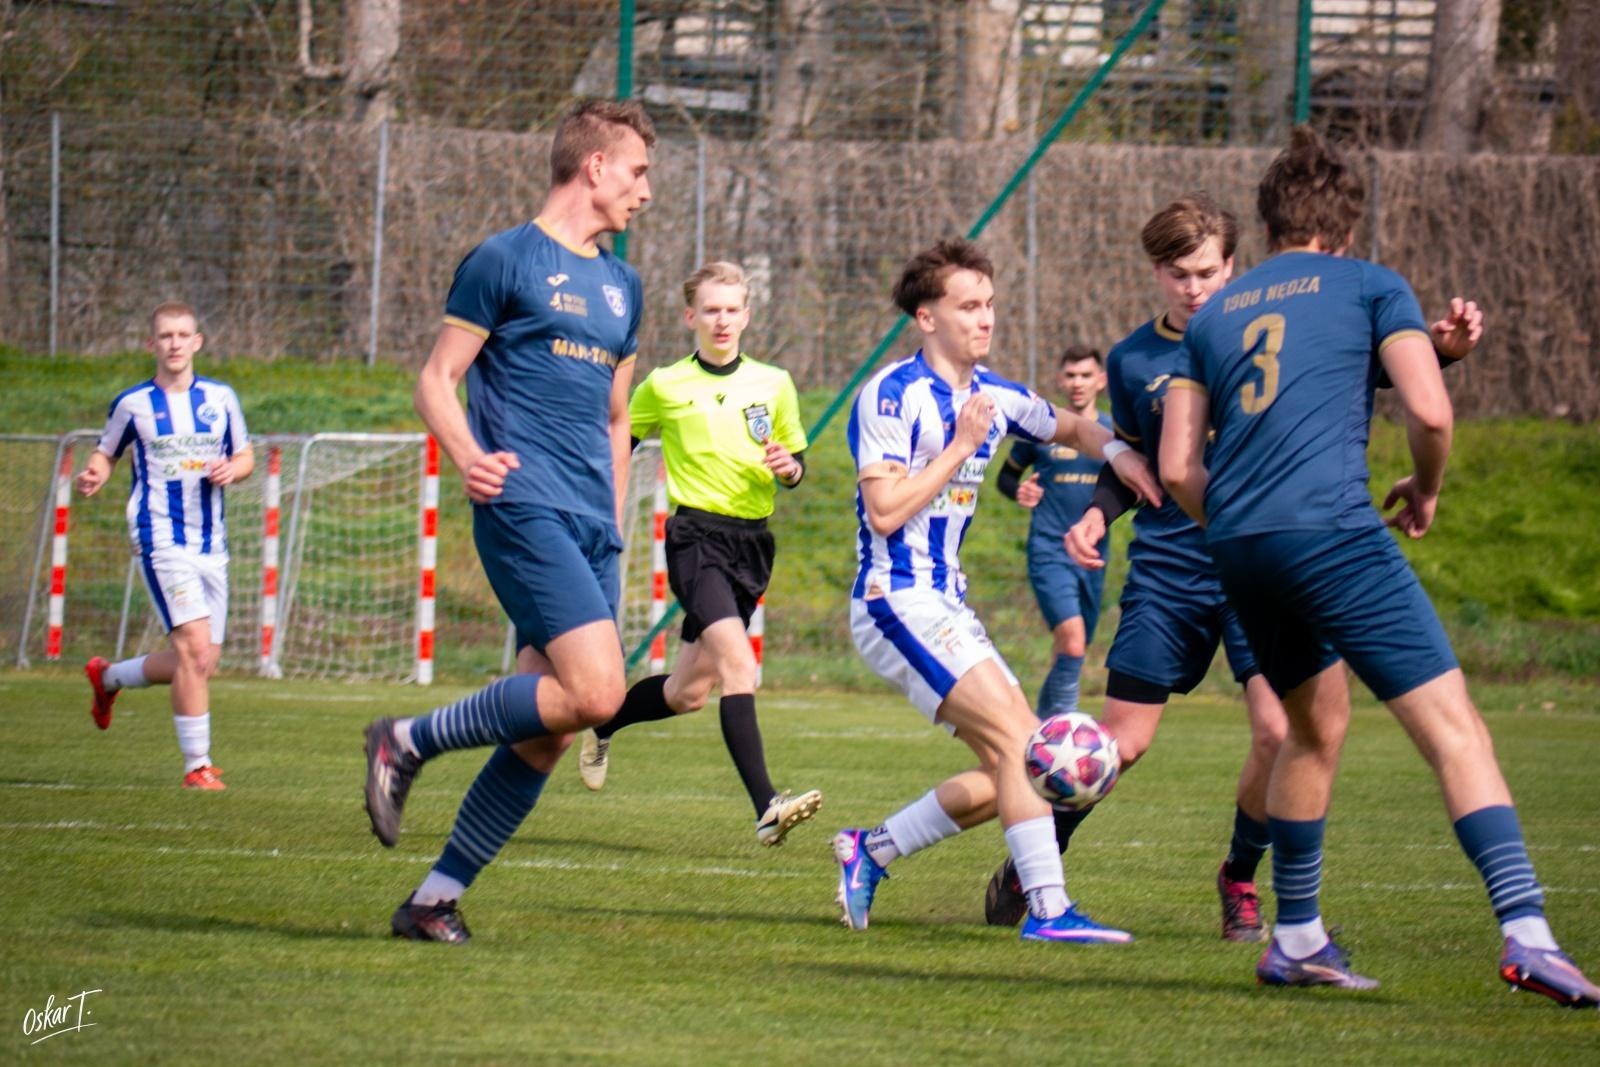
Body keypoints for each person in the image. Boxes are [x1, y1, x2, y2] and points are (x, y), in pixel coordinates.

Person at [1159, 125, 1598, 1005]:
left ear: (1272, 222)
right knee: (1455, 728)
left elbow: (1176, 468)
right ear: (1347, 228)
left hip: (1241, 545)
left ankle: (1295, 937)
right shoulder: (1370, 284)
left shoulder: (1217, 316)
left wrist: (1243, 521)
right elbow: (1428, 414)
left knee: (1315, 728)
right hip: (1333, 533)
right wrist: (1425, 490)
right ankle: (1527, 932)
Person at [360, 98, 655, 944]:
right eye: (637, 170)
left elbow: (614, 420)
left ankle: (432, 900)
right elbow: (435, 380)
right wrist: (466, 454)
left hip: (590, 525)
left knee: (556, 725)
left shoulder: (623, 285)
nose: (645, 190)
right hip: (521, 503)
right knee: (598, 693)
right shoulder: (504, 259)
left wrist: (614, 524)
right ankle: (404, 739)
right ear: (594, 165)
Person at [830, 237, 1163, 942]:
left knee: (1010, 764)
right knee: (1025, 747)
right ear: (927, 317)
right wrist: (958, 446)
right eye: (968, 306)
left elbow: (1070, 424)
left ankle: (873, 849)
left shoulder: (997, 395)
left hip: (943, 602)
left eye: (990, 305)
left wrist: (1123, 453)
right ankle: (1048, 909)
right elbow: (885, 510)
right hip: (896, 599)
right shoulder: (891, 394)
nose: (985, 319)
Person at [982, 197, 1289, 943]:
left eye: (1208, 271)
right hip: (1169, 570)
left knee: (1279, 732)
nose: (1194, 288)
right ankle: (1037, 859)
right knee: (1119, 744)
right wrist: (1096, 511)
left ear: (1232, 266)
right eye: (1180, 274)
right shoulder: (1133, 359)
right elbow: (1129, 460)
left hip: (1257, 569)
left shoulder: (1269, 341)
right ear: (1157, 272)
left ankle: (1240, 877)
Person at [574, 260, 823, 846]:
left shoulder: (774, 383)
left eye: (732, 309)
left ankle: (606, 720)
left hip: (752, 545)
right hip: (695, 541)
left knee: (687, 694)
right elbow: (616, 441)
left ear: (747, 315)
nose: (722, 320)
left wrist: (790, 468)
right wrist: (594, 508)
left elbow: (796, 465)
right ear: (691, 316)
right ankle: (767, 807)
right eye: (710, 309)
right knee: (741, 665)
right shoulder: (664, 384)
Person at [79, 302, 254, 791]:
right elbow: (106, 450)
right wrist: (96, 471)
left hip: (210, 543)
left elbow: (245, 457)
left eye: (183, 335)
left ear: (198, 342)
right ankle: (197, 766)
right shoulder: (132, 405)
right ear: (151, 344)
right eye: (165, 336)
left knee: (200, 661)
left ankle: (108, 677)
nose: (174, 343)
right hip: (160, 539)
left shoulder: (220, 399)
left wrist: (232, 470)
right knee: (195, 649)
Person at [994, 345, 1112, 719]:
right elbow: (1006, 477)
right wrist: (1019, 490)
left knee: (1073, 645)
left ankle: (1042, 730)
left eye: (1086, 375)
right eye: (1071, 375)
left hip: (1093, 556)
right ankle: (1063, 727)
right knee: (1074, 643)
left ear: (1101, 380)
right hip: (1049, 550)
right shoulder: (1043, 431)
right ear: (1061, 380)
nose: (1078, 383)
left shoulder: (1111, 432)